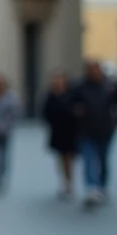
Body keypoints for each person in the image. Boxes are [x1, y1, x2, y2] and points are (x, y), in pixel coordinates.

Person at [69, 60, 117, 206]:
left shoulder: (109, 86)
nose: (94, 73)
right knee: (89, 159)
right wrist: (76, 110)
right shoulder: (80, 87)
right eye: (91, 70)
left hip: (105, 131)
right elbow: (70, 103)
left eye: (96, 70)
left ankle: (102, 186)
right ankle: (91, 188)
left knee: (103, 159)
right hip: (86, 131)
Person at [41, 70, 78, 199]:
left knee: (69, 157)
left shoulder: (71, 94)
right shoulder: (51, 95)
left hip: (70, 130)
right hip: (57, 131)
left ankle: (69, 182)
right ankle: (65, 182)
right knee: (61, 158)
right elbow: (45, 112)